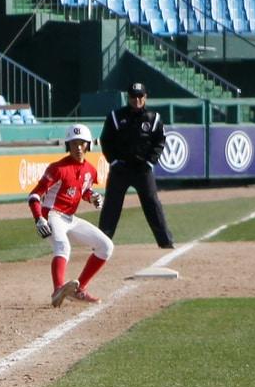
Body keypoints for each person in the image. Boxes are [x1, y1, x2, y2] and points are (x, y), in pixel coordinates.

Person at [29, 123, 114, 306]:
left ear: (89, 145)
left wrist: (93, 197)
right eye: (74, 143)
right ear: (68, 146)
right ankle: (58, 290)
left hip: (69, 218)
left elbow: (83, 190)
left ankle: (79, 290)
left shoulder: (90, 170)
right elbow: (34, 195)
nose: (78, 147)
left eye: (82, 143)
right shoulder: (57, 168)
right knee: (63, 246)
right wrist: (38, 218)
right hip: (51, 215)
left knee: (106, 246)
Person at [98, 83, 175, 248]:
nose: (137, 100)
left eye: (140, 96)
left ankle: (165, 242)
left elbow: (159, 141)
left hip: (142, 170)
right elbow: (106, 141)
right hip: (121, 169)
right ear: (128, 97)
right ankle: (101, 243)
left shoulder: (153, 118)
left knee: (152, 204)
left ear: (145, 97)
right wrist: (114, 161)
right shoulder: (115, 117)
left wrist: (150, 161)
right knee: (111, 206)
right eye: (133, 96)